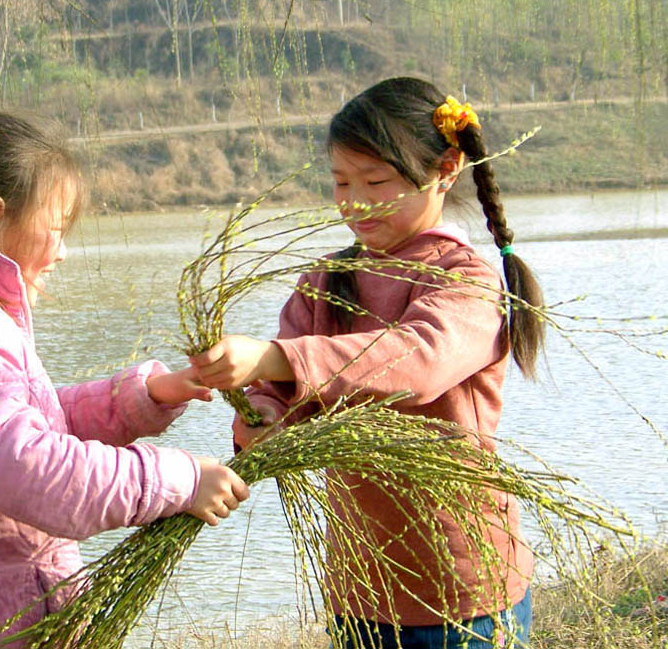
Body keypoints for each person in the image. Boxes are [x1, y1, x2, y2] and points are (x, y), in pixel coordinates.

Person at [0, 102, 249, 649]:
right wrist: (177, 481)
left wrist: (143, 395)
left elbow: (19, 422)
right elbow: (25, 467)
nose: (62, 252)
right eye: (57, 229)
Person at [190, 77, 543, 648]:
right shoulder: (325, 283)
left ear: (445, 169)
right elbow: (283, 397)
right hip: (362, 585)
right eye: (340, 182)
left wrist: (274, 358)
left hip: (460, 585)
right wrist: (259, 419)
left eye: (377, 181)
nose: (355, 200)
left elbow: (415, 362)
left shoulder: (466, 280)